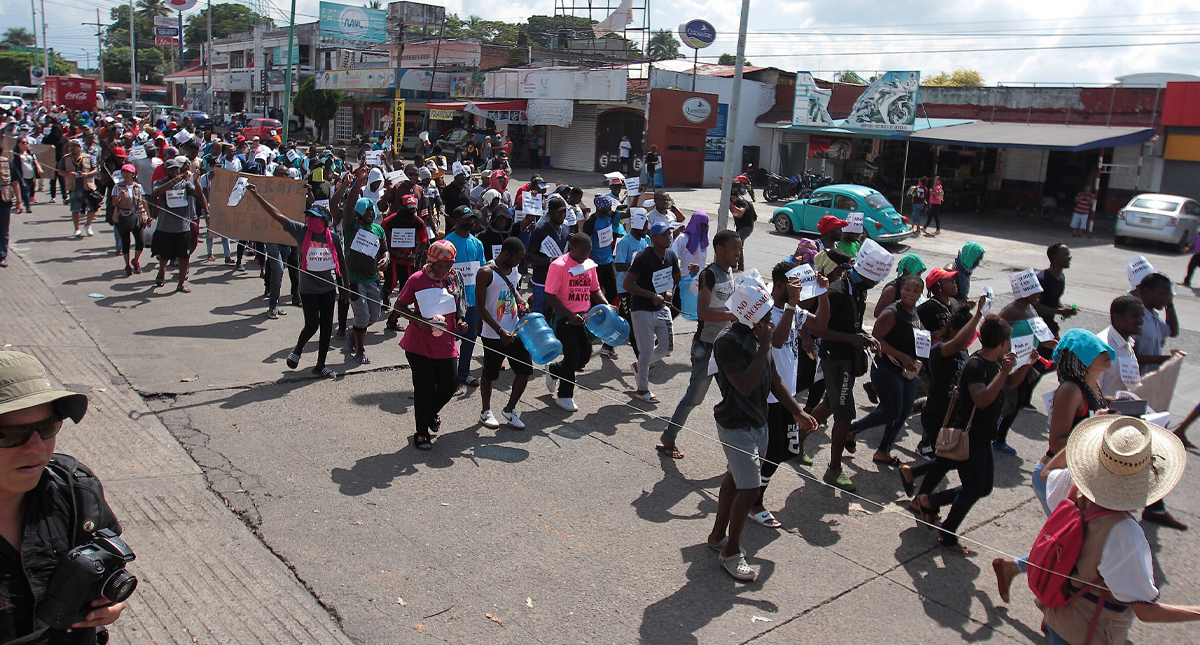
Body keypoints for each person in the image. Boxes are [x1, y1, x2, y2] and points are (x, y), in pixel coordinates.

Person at [0, 351, 131, 642]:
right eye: (8, 435)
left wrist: (107, 604)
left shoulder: (73, 490)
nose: (35, 447)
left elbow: (109, 566)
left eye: (46, 427)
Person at [1036, 416, 1199, 644]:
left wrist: (1074, 442)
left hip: (1057, 614)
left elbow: (1045, 474)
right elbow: (1146, 611)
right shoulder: (1124, 533)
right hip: (1087, 633)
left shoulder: (1072, 486)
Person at [707, 281, 818, 581]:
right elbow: (744, 385)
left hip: (759, 421)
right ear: (749, 314)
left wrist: (798, 411)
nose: (771, 319)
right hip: (736, 424)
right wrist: (765, 345)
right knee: (751, 489)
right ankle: (731, 552)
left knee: (735, 477)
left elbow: (774, 380)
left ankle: (718, 535)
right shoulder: (728, 341)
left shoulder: (758, 336)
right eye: (767, 313)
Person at [913, 315, 1020, 555]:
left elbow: (1011, 383)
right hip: (969, 436)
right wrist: (1003, 373)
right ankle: (947, 533)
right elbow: (981, 400)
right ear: (1003, 343)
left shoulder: (996, 363)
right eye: (1009, 341)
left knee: (983, 488)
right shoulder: (977, 365)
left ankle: (931, 500)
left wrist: (1022, 366)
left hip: (983, 436)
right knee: (973, 489)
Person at [749, 261, 830, 528]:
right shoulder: (768, 310)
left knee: (785, 450)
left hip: (787, 392)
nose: (800, 291)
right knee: (774, 450)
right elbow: (778, 340)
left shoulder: (793, 310)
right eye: (795, 286)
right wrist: (793, 304)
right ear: (781, 286)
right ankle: (754, 501)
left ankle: (750, 488)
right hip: (771, 393)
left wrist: (824, 293)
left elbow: (821, 324)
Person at [660, 230, 741, 458]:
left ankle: (737, 451)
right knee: (695, 397)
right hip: (706, 348)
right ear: (720, 249)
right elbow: (703, 312)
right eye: (734, 248)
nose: (738, 253)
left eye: (739, 248)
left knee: (734, 397)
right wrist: (735, 315)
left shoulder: (730, 272)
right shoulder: (710, 275)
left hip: (726, 347)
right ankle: (669, 435)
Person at [809, 261, 886, 492]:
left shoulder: (859, 290)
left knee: (830, 405)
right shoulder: (837, 291)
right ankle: (833, 469)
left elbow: (850, 324)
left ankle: (794, 442)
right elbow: (816, 327)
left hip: (848, 358)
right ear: (863, 274)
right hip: (835, 359)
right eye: (874, 280)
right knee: (844, 414)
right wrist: (851, 339)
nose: (876, 284)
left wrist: (863, 335)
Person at [257, 198, 348, 379]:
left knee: (327, 327)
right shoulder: (301, 231)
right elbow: (277, 215)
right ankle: (298, 349)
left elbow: (342, 263)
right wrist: (257, 197)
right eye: (309, 217)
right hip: (307, 289)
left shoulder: (334, 238)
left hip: (328, 289)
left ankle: (320, 364)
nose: (310, 220)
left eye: (315, 217)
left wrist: (345, 286)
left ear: (325, 221)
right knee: (312, 324)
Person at [902, 299, 986, 494]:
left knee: (946, 461)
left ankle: (914, 479)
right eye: (966, 332)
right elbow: (957, 342)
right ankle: (921, 495)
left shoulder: (964, 353)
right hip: (937, 415)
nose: (970, 337)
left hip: (952, 416)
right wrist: (978, 315)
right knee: (946, 461)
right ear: (955, 331)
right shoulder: (940, 350)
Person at [1127, 271, 1187, 529]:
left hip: (1152, 390)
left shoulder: (1153, 315)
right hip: (1137, 390)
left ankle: (1154, 505)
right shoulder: (1136, 317)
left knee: (1151, 449)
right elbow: (1131, 357)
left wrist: (1170, 305)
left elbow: (1172, 330)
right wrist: (1163, 361)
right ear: (1145, 291)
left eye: (1168, 294)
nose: (1166, 298)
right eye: (1162, 293)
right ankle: (1153, 506)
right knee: (1150, 449)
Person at [396, 240, 468, 450]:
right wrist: (419, 321)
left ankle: (430, 413)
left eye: (449, 265)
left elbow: (461, 302)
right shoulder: (417, 279)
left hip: (446, 342)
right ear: (432, 261)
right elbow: (399, 306)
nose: (446, 270)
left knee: (450, 384)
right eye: (442, 265)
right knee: (424, 389)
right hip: (420, 344)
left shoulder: (454, 277)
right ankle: (421, 433)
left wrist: (462, 320)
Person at [849, 274, 926, 465]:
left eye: (915, 291)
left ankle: (884, 450)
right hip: (887, 369)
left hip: (907, 371)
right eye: (907, 289)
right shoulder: (892, 312)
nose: (910, 294)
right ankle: (852, 430)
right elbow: (876, 340)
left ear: (920, 294)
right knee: (892, 411)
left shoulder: (914, 311)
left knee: (905, 409)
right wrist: (902, 356)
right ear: (901, 290)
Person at [543, 233, 608, 412]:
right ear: (572, 247)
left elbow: (595, 290)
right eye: (582, 251)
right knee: (572, 355)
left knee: (584, 357)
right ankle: (564, 396)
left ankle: (555, 369)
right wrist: (570, 315)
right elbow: (550, 295)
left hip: (584, 316)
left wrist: (607, 305)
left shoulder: (589, 264)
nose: (585, 256)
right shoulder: (558, 266)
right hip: (565, 317)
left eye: (588, 252)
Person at [623, 222, 681, 404]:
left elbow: (676, 278)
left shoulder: (671, 255)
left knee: (667, 347)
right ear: (654, 238)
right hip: (642, 309)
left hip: (661, 307)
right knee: (646, 351)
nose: (669, 237)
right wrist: (651, 295)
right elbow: (627, 284)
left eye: (670, 234)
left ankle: (639, 365)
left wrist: (690, 274)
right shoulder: (643, 257)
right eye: (664, 235)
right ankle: (642, 389)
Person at [476, 237, 530, 430]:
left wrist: (522, 301)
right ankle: (486, 412)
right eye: (518, 258)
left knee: (525, 370)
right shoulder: (485, 272)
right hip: (493, 333)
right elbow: (480, 308)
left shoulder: (513, 269)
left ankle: (509, 409)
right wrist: (500, 330)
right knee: (490, 374)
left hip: (515, 330)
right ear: (506, 254)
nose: (520, 263)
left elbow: (513, 291)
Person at [342, 196, 389, 365]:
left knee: (374, 316)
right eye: (366, 209)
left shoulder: (378, 229)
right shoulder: (351, 227)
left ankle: (354, 331)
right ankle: (360, 349)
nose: (370, 213)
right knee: (362, 315)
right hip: (355, 278)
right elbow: (347, 210)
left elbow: (384, 250)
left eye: (372, 210)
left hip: (373, 278)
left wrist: (386, 259)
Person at [443, 206, 486, 386]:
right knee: (449, 338)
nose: (470, 222)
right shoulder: (447, 243)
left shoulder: (477, 243)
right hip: (452, 301)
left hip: (472, 301)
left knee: (470, 338)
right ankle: (445, 371)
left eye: (471, 219)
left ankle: (463, 373)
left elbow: (482, 270)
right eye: (465, 219)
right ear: (455, 221)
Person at [150, 156, 205, 293]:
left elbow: (198, 193)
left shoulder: (185, 184)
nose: (174, 171)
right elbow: (155, 193)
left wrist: (197, 182)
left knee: (184, 256)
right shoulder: (160, 182)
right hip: (166, 227)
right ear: (166, 171)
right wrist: (172, 182)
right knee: (164, 255)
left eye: (176, 169)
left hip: (183, 227)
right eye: (171, 170)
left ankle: (181, 283)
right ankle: (161, 270)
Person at [584, 195, 625, 359]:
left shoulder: (610, 216)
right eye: (607, 207)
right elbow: (585, 241)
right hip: (595, 264)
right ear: (599, 208)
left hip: (608, 262)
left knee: (614, 293)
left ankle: (604, 318)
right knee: (594, 295)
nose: (610, 210)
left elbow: (626, 214)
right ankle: (592, 326)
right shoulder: (591, 222)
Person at [382, 195, 430, 331]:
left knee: (406, 293)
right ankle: (384, 296)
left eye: (413, 210)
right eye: (408, 210)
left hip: (408, 260)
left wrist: (415, 254)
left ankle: (392, 320)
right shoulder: (388, 222)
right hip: (392, 259)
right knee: (390, 284)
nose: (410, 213)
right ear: (400, 208)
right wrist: (390, 251)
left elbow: (423, 241)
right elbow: (381, 240)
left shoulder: (418, 222)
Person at [614, 209, 650, 360]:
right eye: (645, 226)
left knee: (625, 319)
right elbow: (619, 266)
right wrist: (638, 266)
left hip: (640, 287)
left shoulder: (646, 240)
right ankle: (641, 358)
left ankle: (608, 343)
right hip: (626, 288)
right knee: (632, 324)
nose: (646, 229)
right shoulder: (624, 243)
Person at [526, 195, 571, 315]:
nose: (562, 215)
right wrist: (551, 260)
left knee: (557, 316)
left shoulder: (566, 229)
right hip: (542, 281)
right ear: (550, 213)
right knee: (540, 316)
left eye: (564, 212)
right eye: (559, 213)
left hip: (561, 282)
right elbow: (529, 256)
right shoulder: (541, 230)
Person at [57, 139, 99, 238]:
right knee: (75, 209)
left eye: (74, 146)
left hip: (88, 186)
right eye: (70, 146)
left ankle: (88, 225)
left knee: (93, 207)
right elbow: (59, 171)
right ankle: (77, 229)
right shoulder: (65, 158)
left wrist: (88, 174)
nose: (72, 148)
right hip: (74, 186)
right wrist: (68, 174)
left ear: (80, 147)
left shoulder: (88, 157)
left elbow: (96, 169)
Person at [111, 163, 147, 277]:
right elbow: (114, 203)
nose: (125, 174)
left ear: (133, 174)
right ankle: (127, 265)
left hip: (137, 216)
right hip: (123, 216)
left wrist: (148, 215)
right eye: (124, 172)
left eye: (128, 172)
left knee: (140, 241)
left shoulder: (138, 187)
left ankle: (136, 260)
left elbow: (144, 201)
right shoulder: (117, 187)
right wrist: (119, 196)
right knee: (126, 242)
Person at [1035, 243, 1079, 337]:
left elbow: (1053, 299)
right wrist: (1060, 311)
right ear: (1055, 257)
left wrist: (1064, 308)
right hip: (1037, 328)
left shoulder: (1061, 277)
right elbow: (1036, 307)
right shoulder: (1042, 279)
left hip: (1050, 325)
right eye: (1065, 254)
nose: (1069, 257)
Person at [874, 253, 926, 317]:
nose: (919, 276)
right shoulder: (892, 289)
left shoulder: (916, 287)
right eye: (918, 272)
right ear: (911, 269)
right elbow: (878, 313)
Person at [916, 267, 960, 342]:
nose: (954, 282)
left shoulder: (954, 302)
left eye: (953, 279)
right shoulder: (927, 308)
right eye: (949, 280)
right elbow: (915, 332)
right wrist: (931, 335)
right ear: (938, 286)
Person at [670, 211, 709, 280]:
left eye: (705, 225)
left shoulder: (703, 241)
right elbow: (672, 258)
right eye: (701, 225)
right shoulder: (683, 238)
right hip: (685, 278)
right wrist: (677, 275)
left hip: (700, 280)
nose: (702, 228)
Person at [11, 137, 42, 215]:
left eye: (26, 143)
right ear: (18, 144)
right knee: (25, 191)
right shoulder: (15, 154)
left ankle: (22, 201)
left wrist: (39, 169)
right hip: (21, 176)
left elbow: (35, 162)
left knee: (28, 190)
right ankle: (28, 206)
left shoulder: (30, 153)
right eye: (23, 142)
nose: (25, 144)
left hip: (31, 175)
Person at [0, 139, 11, 268]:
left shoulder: (7, 163)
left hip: (4, 200)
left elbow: (15, 181)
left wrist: (20, 202)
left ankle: (2, 256)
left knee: (3, 230)